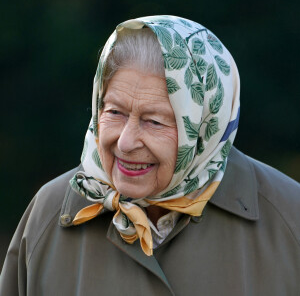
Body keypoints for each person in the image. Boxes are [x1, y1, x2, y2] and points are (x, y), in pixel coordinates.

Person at [1, 15, 299, 296]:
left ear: (205, 126)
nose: (126, 142)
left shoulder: (289, 218)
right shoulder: (50, 213)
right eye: (115, 112)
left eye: (154, 121)